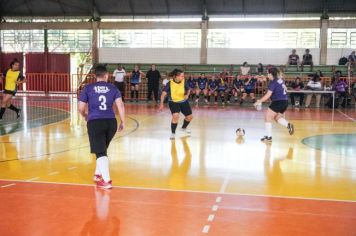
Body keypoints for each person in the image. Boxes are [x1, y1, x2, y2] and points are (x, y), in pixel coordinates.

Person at [78, 65, 125, 189]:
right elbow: (120, 105)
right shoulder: (113, 87)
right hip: (111, 123)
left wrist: (84, 115)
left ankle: (107, 181)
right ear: (106, 75)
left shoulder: (88, 88)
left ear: (95, 76)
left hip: (95, 122)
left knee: (100, 152)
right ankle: (98, 174)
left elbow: (81, 108)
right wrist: (123, 121)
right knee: (102, 150)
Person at [254, 67, 294, 142]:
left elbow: (268, 95)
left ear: (271, 74)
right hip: (285, 101)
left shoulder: (273, 83)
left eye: (268, 73)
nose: (267, 75)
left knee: (267, 118)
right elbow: (284, 88)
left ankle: (268, 137)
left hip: (278, 102)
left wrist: (259, 101)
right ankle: (288, 125)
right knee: (277, 118)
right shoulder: (279, 80)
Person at [159, 69, 193, 140]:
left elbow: (189, 89)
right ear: (176, 76)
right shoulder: (170, 83)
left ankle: (183, 128)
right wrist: (161, 104)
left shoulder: (184, 82)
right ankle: (173, 133)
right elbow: (163, 94)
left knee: (189, 117)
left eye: (183, 76)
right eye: (181, 76)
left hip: (183, 101)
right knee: (175, 116)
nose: (183, 77)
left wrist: (187, 94)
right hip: (173, 102)